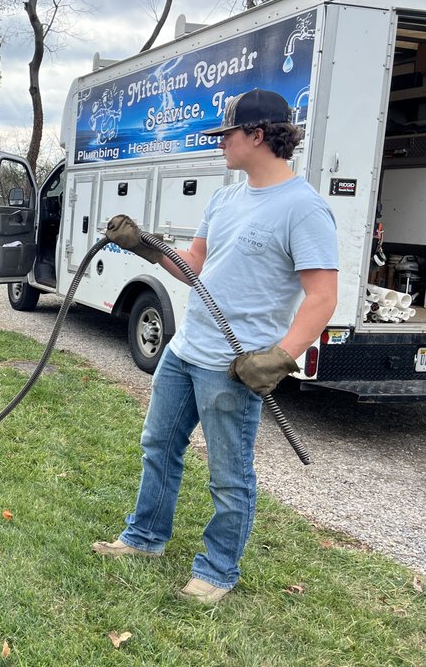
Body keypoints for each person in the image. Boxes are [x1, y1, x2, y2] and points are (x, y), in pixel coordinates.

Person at [93, 89, 339, 604]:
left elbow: (322, 297)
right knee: (159, 448)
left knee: (229, 477)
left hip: (235, 367)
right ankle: (144, 539)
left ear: (258, 135)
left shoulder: (304, 208)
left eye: (226, 134)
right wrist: (148, 245)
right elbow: (196, 266)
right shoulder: (226, 198)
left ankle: (218, 570)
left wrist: (279, 357)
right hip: (186, 351)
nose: (219, 144)